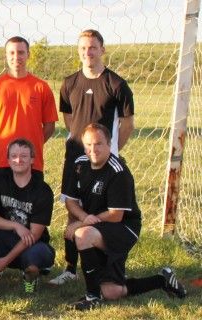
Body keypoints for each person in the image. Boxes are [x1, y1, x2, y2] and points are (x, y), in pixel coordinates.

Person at [64, 124, 187, 310]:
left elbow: (115, 215)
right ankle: (162, 280)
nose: (93, 150)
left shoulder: (118, 172)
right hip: (98, 224)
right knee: (113, 292)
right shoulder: (79, 164)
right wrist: (84, 217)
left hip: (123, 227)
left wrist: (82, 222)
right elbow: (70, 201)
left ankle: (92, 297)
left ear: (109, 144)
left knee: (83, 235)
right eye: (88, 144)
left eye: (98, 144)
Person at [50, 29, 136, 286]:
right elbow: (68, 118)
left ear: (102, 49)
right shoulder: (69, 83)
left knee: (104, 209)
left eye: (93, 48)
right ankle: (69, 268)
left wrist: (110, 150)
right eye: (83, 48)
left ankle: (107, 264)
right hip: (76, 155)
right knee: (73, 208)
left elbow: (128, 123)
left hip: (103, 158)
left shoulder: (117, 84)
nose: (88, 53)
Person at [0, 138, 55, 301]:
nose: (19, 160)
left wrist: (6, 260)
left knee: (33, 262)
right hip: (7, 238)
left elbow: (35, 234)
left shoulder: (43, 190)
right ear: (8, 159)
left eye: (24, 156)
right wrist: (15, 226)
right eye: (14, 156)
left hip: (33, 244)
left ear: (32, 159)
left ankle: (31, 278)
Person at [0, 36, 58, 174]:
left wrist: (30, 147)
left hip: (31, 163)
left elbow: (50, 126)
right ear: (6, 55)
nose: (16, 56)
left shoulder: (41, 87)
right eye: (12, 53)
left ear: (28, 55)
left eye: (21, 52)